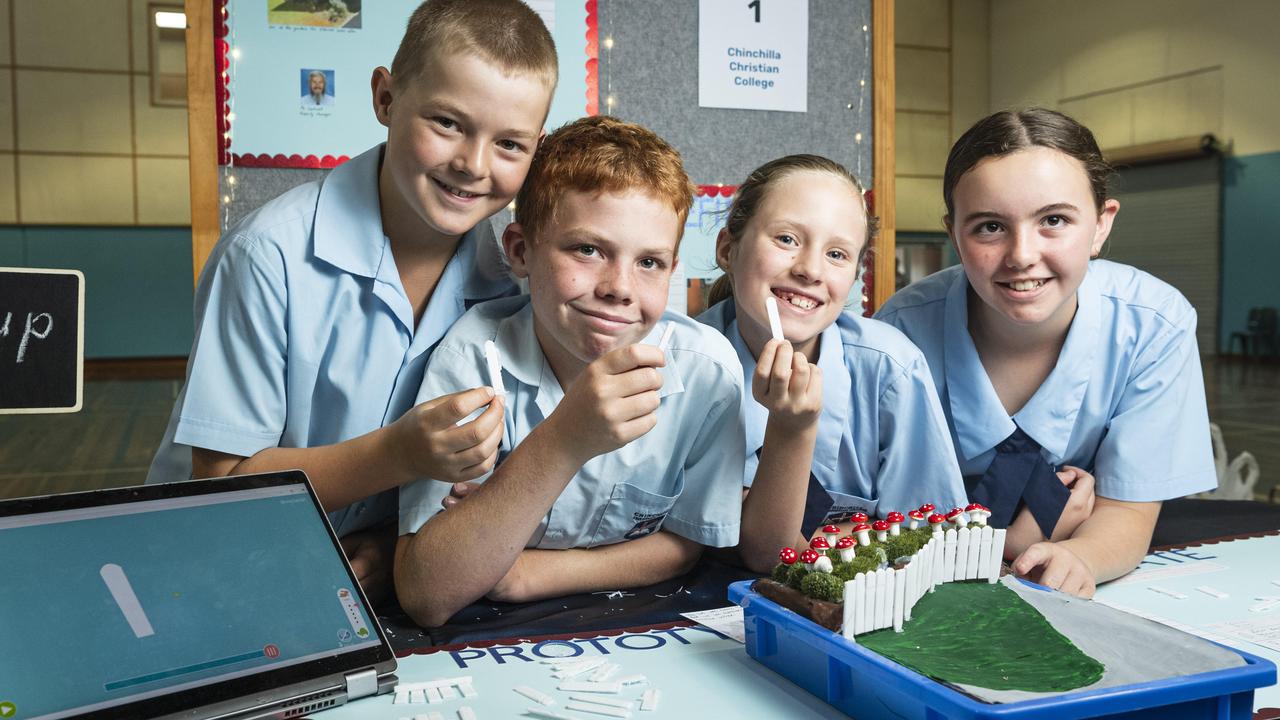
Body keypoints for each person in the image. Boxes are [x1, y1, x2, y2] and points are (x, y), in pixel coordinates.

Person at [145, 0, 558, 601]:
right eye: (446, 122)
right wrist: (399, 452)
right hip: (207, 575)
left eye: (510, 145)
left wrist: (396, 541)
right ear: (386, 99)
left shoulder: (513, 287)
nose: (472, 165)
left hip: (363, 591)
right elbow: (223, 487)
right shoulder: (267, 256)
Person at [395, 116, 746, 628]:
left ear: (672, 270)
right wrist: (565, 439)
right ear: (520, 250)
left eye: (649, 262)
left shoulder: (707, 373)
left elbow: (684, 545)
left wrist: (519, 573)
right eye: (588, 249)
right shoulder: (473, 358)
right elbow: (429, 593)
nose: (619, 287)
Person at [876, 108, 1216, 597]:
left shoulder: (1154, 326)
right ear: (953, 234)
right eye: (989, 227)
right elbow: (886, 521)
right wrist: (1022, 539)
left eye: (1054, 220)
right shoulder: (899, 335)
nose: (1022, 255)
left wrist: (1077, 555)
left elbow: (1127, 511)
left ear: (1101, 224)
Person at [696, 155, 969, 572]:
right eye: (786, 239)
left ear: (856, 274)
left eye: (837, 254)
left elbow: (937, 537)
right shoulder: (685, 364)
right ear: (728, 249)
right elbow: (760, 552)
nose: (809, 270)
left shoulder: (893, 368)